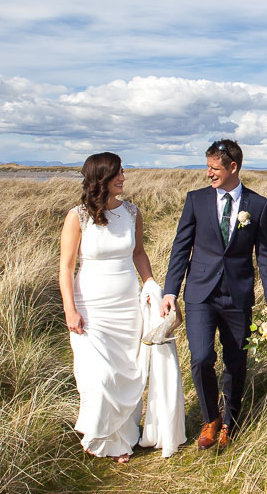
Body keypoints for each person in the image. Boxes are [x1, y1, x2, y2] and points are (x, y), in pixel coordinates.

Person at [59, 152, 180, 462]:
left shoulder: (131, 212)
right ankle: (98, 435)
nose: (124, 177)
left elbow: (138, 253)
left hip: (126, 306)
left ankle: (122, 440)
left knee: (127, 375)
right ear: (102, 178)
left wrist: (152, 284)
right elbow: (66, 267)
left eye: (123, 172)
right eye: (118, 173)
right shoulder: (77, 217)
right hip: (91, 309)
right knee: (98, 377)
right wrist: (70, 309)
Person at [161, 139, 267, 450]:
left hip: (237, 296)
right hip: (200, 293)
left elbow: (265, 256)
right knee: (201, 358)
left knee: (236, 362)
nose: (208, 174)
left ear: (233, 167)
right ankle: (210, 418)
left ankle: (231, 422)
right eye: (208, 167)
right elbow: (180, 248)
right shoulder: (196, 200)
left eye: (214, 168)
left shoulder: (258, 205)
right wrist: (170, 290)